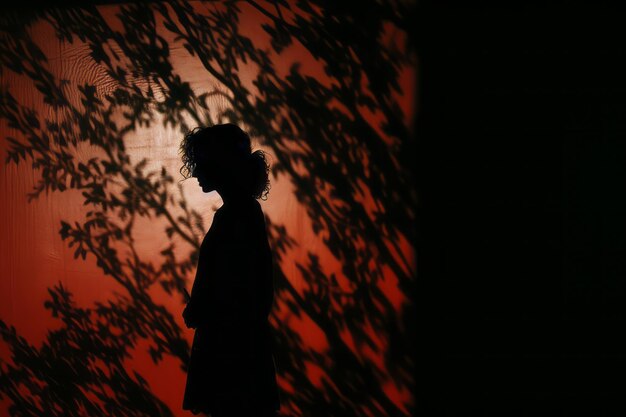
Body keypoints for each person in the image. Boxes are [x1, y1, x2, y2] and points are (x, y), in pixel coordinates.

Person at [178, 123, 279, 417]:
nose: (195, 172)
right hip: (235, 350)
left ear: (219, 162)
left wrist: (201, 306)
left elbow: (243, 287)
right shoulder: (240, 213)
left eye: (200, 162)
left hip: (233, 355)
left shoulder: (238, 215)